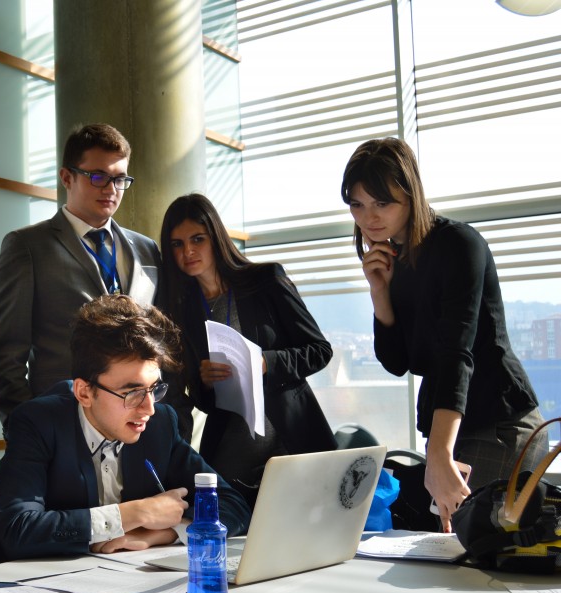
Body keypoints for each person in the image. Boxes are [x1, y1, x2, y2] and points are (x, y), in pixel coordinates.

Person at [342, 137, 547, 531]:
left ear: (410, 194)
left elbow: (457, 354)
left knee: (471, 552)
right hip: (455, 425)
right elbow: (399, 362)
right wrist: (379, 292)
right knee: (458, 556)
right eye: (357, 204)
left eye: (382, 202)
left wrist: (439, 453)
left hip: (499, 421)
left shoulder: (459, 245)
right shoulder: (393, 258)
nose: (369, 217)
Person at [0, 295, 251, 560]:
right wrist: (135, 514)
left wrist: (164, 533)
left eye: (154, 389)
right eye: (132, 392)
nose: (149, 408)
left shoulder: (160, 423)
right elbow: (16, 529)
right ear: (84, 392)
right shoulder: (36, 422)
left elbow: (233, 507)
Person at [158, 194, 337, 508]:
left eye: (197, 239)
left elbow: (320, 350)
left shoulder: (266, 281)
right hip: (232, 443)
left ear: (216, 237)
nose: (187, 252)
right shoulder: (182, 310)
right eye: (176, 244)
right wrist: (205, 381)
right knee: (230, 528)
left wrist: (266, 361)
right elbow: (201, 400)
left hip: (289, 434)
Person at [0, 123, 161, 430]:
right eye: (98, 177)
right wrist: (26, 431)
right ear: (67, 177)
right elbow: (6, 358)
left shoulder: (146, 249)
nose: (111, 189)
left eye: (120, 179)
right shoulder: (27, 247)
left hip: (137, 427)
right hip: (61, 425)